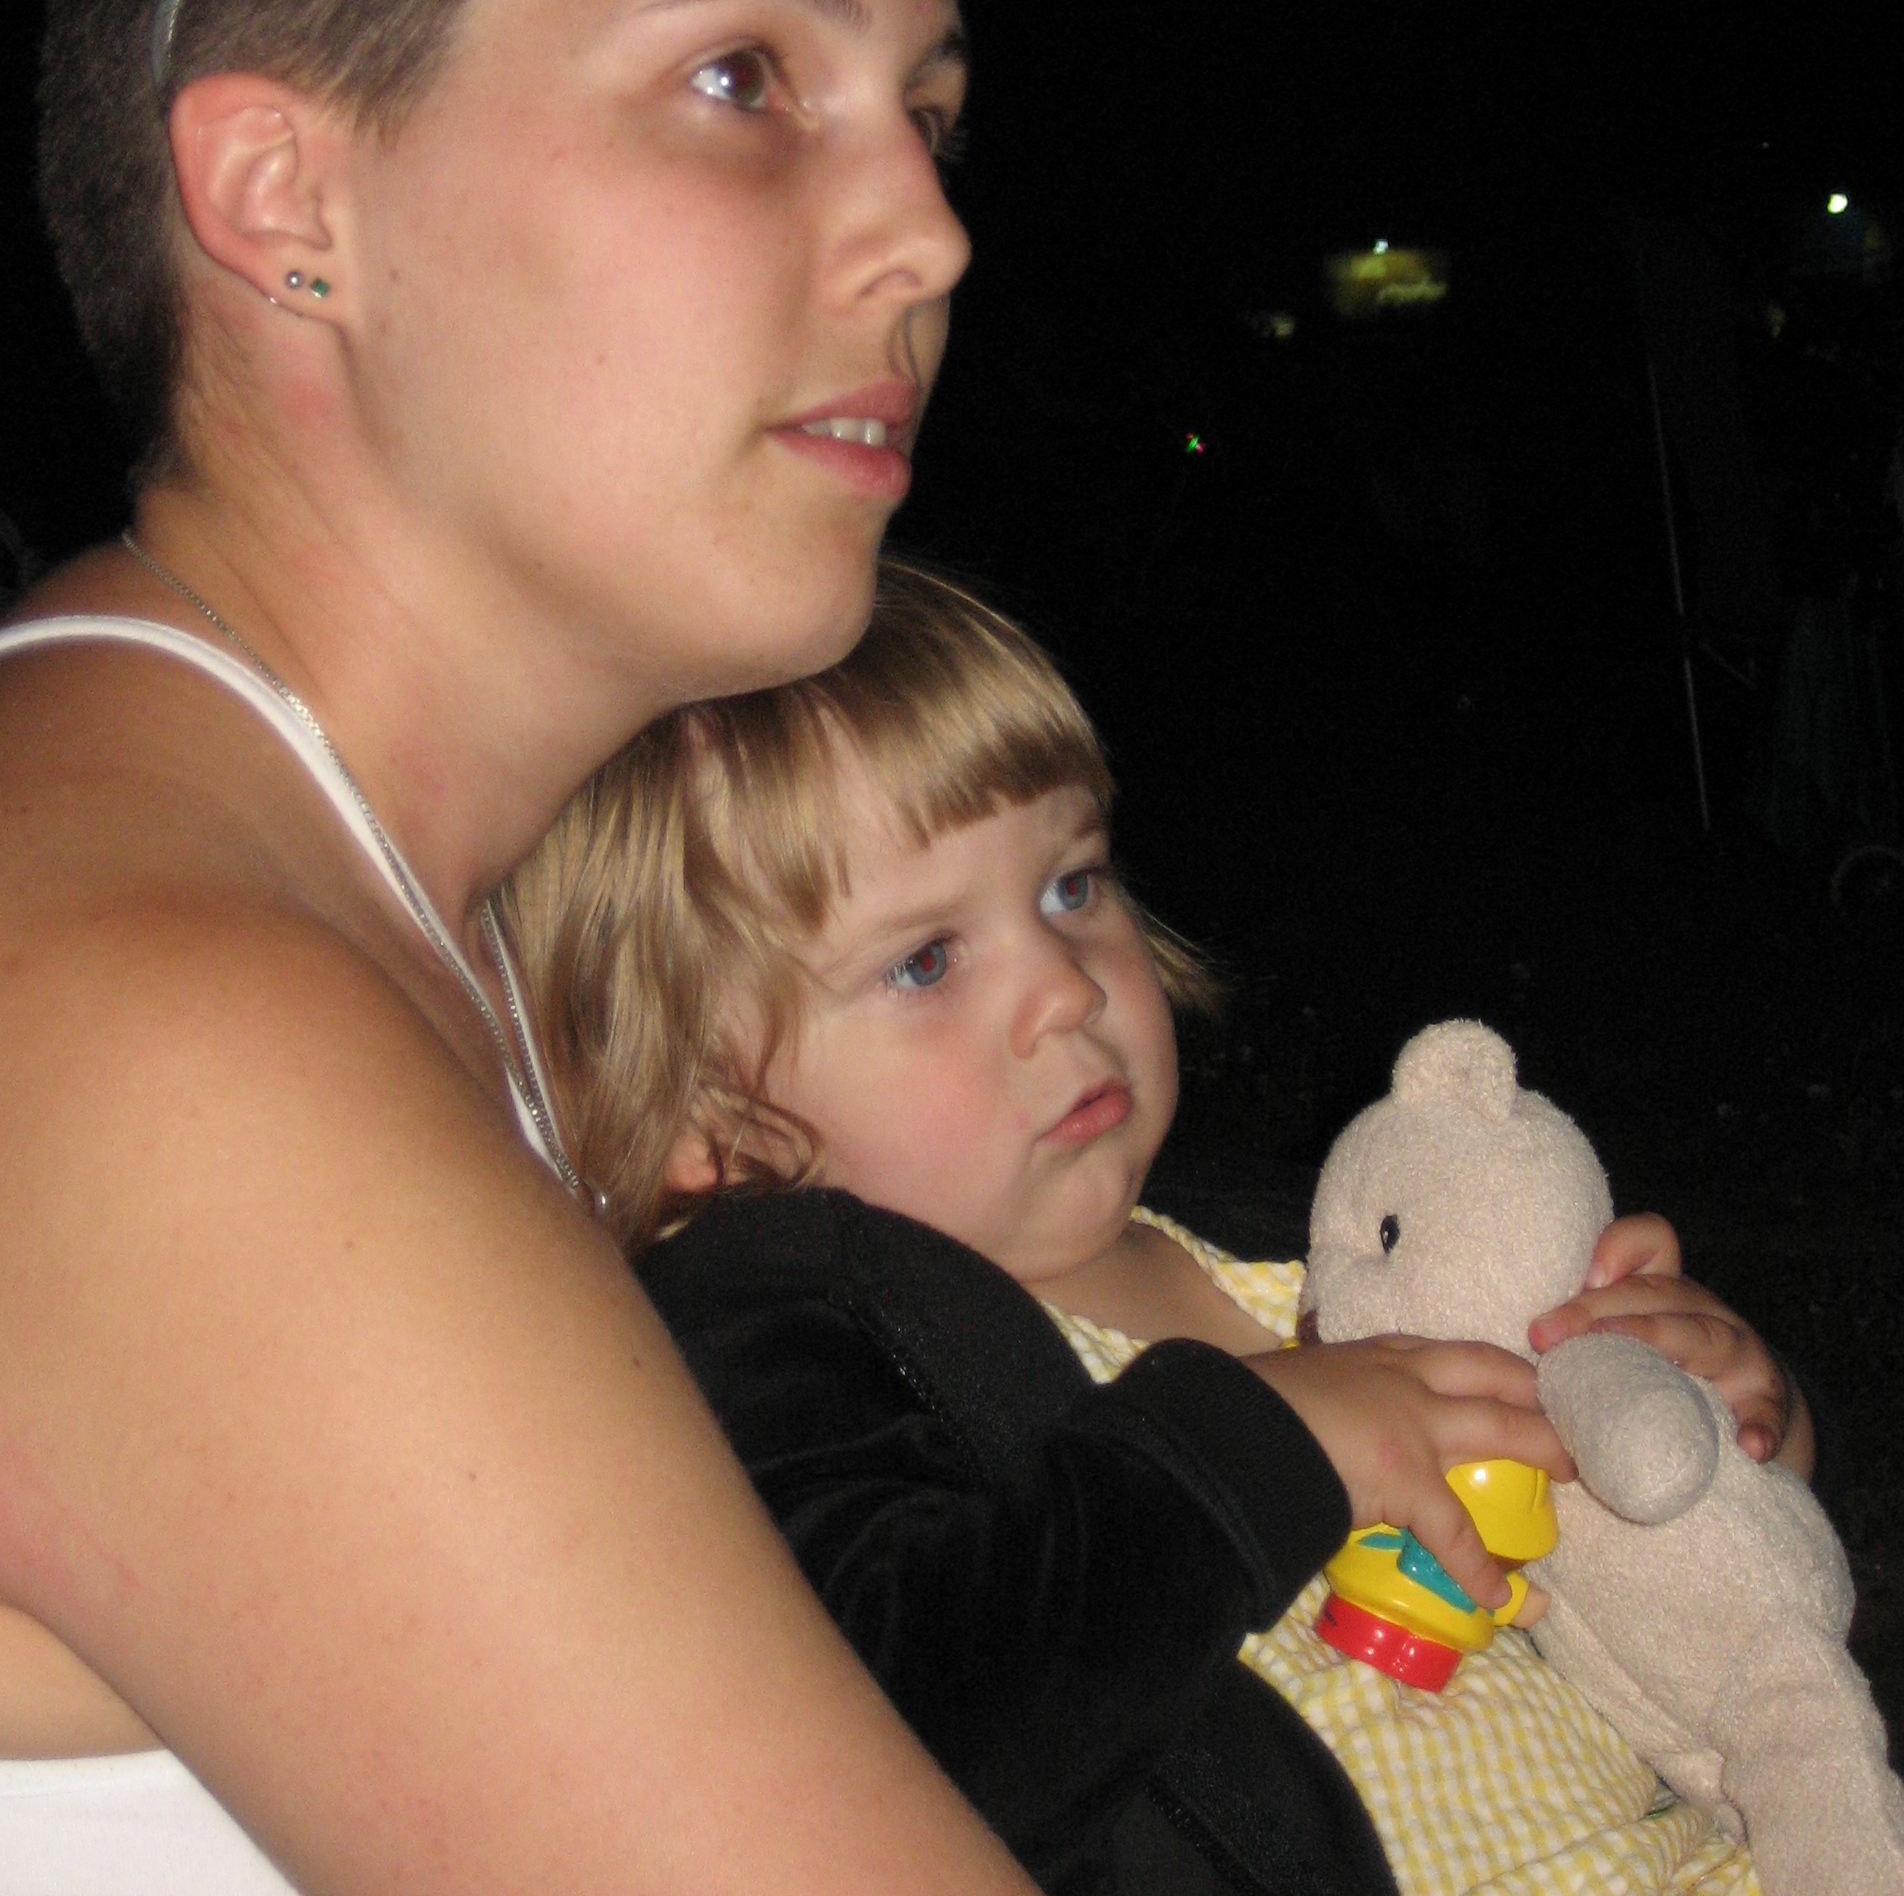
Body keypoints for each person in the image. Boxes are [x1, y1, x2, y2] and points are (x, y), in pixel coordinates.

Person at [0, 0, 1045, 1890]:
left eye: (926, 116)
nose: (929, 232)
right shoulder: (158, 1043)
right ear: (291, 202)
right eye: (746, 77)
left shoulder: (308, 871)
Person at [494, 560, 1808, 1893]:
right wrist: (1261, 1452)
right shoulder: (784, 1369)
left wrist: (1713, 1425)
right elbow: (901, 1740)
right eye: (925, 960)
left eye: (1069, 887)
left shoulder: (1312, 1255)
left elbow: (1666, 1582)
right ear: (706, 1120)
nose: (1066, 988)